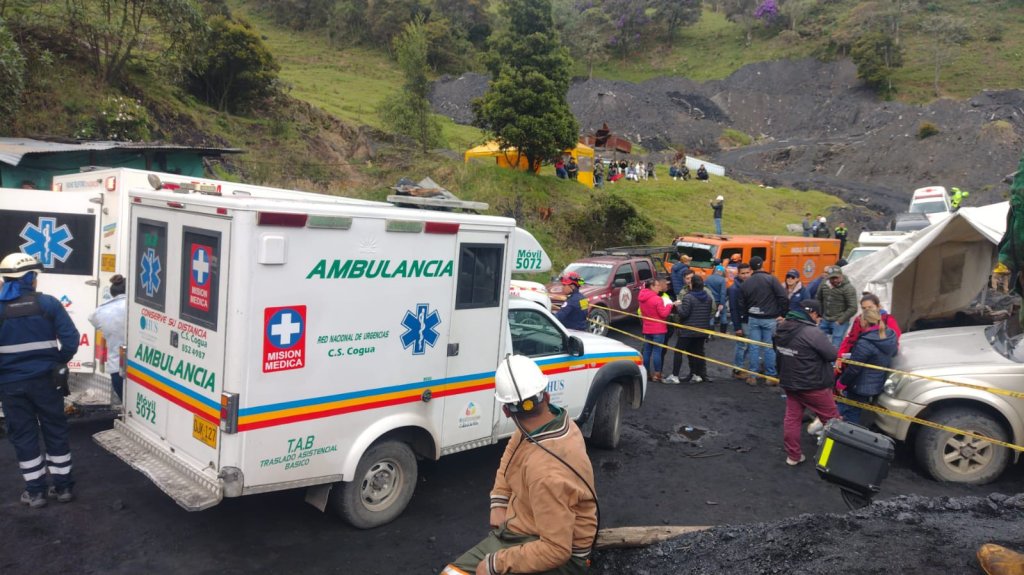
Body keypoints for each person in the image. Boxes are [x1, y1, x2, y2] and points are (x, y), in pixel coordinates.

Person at [442, 355, 597, 575]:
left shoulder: (546, 473)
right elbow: (510, 456)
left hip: (562, 556)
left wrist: (496, 564)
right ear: (546, 396)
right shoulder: (547, 423)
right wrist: (499, 500)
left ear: (506, 410)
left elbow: (557, 549)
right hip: (526, 527)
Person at [0, 253, 80, 507]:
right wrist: (58, 361)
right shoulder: (48, 304)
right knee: (55, 429)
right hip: (47, 380)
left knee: (23, 436)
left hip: (11, 385)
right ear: (31, 278)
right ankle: (63, 487)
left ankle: (35, 492)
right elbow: (71, 340)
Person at [773, 299, 841, 466]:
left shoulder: (781, 327)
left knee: (792, 419)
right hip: (813, 384)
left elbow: (778, 350)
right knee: (833, 423)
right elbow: (832, 354)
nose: (819, 321)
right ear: (813, 314)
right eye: (818, 317)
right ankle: (829, 460)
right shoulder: (813, 333)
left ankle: (793, 456)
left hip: (790, 381)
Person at [836, 307, 898, 424]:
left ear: (864, 321)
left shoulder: (865, 342)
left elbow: (854, 369)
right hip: (876, 384)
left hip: (858, 386)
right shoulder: (890, 335)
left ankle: (847, 437)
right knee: (855, 411)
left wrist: (841, 383)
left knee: (851, 413)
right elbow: (887, 354)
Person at [737, 256, 789, 385]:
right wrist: (782, 313)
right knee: (769, 347)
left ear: (751, 268)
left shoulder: (746, 283)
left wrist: (746, 313)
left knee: (754, 347)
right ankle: (770, 376)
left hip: (753, 317)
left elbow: (741, 302)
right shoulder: (770, 279)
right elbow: (783, 296)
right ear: (762, 265)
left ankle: (752, 375)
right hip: (770, 318)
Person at [666, 275, 713, 384]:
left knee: (678, 351)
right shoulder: (709, 298)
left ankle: (675, 376)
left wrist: (678, 306)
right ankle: (697, 375)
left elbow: (684, 313)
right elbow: (709, 313)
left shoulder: (688, 297)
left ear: (692, 285)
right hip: (702, 330)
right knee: (697, 352)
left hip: (688, 330)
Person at [88, 274, 127, 401]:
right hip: (138, 369)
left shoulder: (100, 311)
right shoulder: (134, 306)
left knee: (126, 404)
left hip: (116, 367)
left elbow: (93, 319)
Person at [816, 265, 859, 349]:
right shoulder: (824, 284)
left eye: (837, 277)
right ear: (828, 277)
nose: (835, 280)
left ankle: (833, 362)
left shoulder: (848, 288)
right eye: (832, 278)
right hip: (825, 319)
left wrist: (840, 320)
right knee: (819, 343)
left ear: (841, 276)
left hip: (839, 321)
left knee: (835, 345)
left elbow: (853, 307)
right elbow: (819, 298)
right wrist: (820, 315)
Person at [639, 277, 673, 383]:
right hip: (658, 329)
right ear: (652, 286)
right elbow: (664, 314)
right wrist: (669, 305)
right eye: (657, 285)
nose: (659, 287)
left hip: (647, 328)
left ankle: (646, 372)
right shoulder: (657, 299)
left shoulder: (641, 297)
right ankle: (657, 374)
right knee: (657, 352)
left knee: (647, 351)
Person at [729, 263, 752, 379]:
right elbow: (733, 309)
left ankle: (740, 368)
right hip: (742, 322)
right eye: (743, 273)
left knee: (747, 346)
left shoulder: (751, 285)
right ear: (738, 274)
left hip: (750, 321)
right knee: (742, 346)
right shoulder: (734, 289)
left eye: (747, 273)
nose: (745, 275)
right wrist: (737, 327)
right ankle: (737, 369)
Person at [705, 265, 728, 333]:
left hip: (710, 301)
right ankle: (723, 333)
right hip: (719, 301)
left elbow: (705, 289)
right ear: (722, 272)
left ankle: (711, 334)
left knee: (711, 317)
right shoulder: (722, 280)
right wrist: (722, 303)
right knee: (723, 315)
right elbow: (723, 293)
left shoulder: (708, 278)